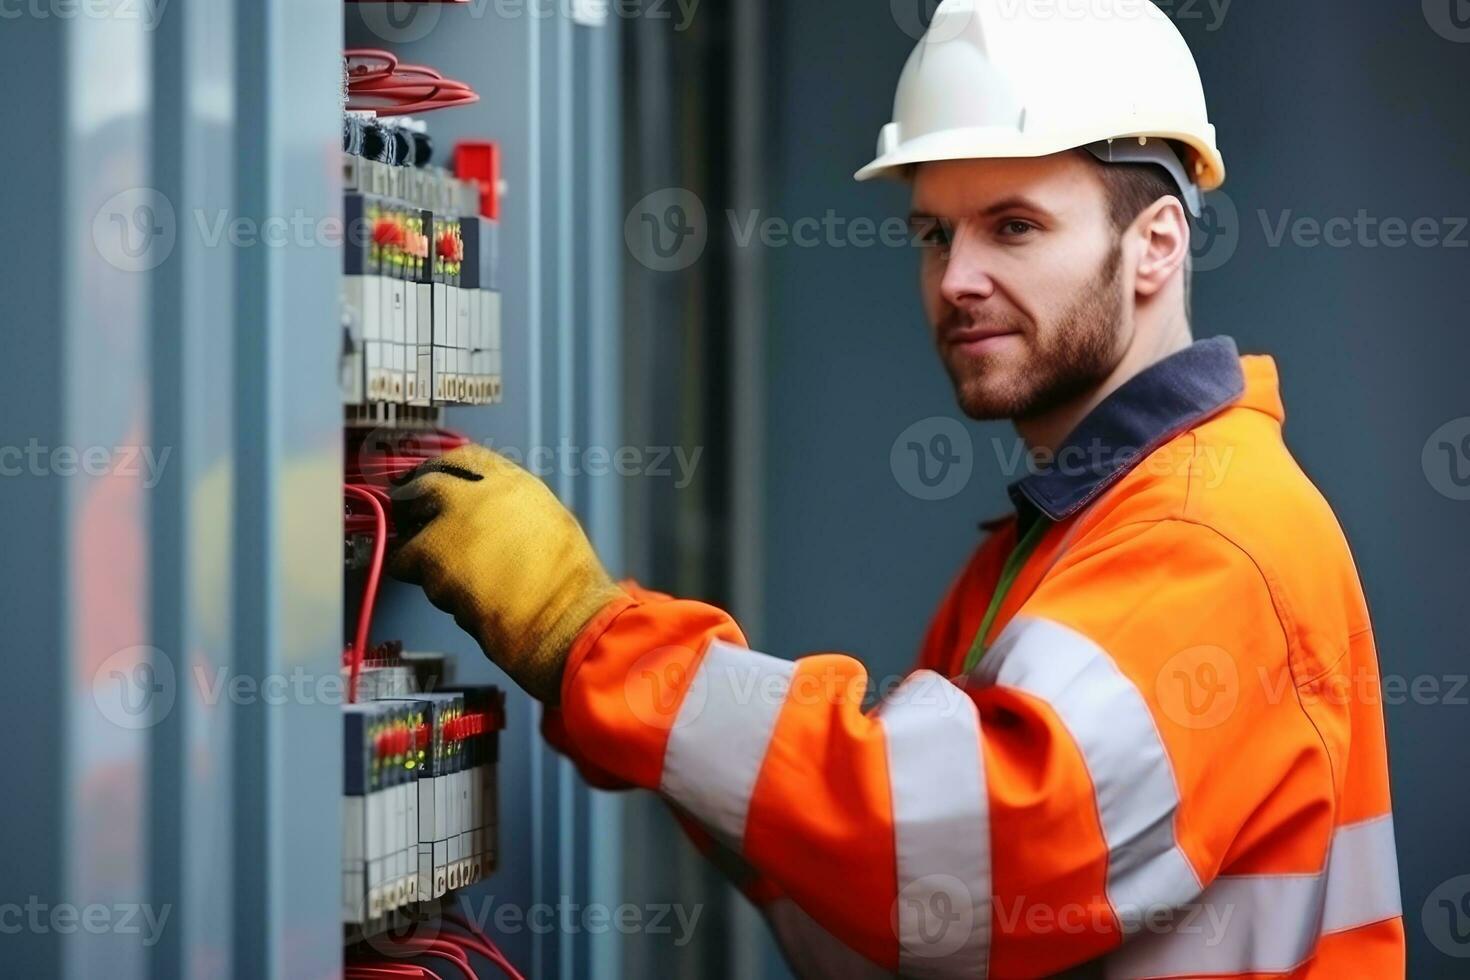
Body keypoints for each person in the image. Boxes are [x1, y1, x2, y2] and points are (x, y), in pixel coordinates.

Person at [389, 1, 1403, 975]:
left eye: (1013, 226)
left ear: (1156, 245)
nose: (956, 277)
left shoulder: (1207, 536)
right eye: (934, 233)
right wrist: (679, 748)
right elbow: (901, 931)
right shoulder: (1053, 541)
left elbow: (951, 862)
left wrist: (587, 636)